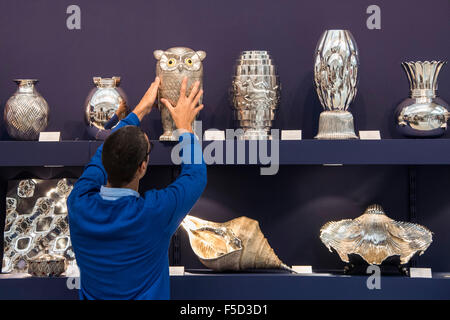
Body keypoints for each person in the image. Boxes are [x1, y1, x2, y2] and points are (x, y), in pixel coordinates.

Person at [67, 76, 207, 300]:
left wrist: (138, 111)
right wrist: (185, 127)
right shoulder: (153, 213)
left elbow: (101, 155)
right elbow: (196, 176)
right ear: (143, 167)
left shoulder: (79, 203)